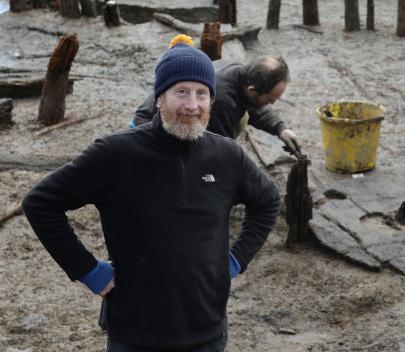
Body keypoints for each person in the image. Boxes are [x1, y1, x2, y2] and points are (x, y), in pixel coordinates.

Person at [21, 35, 281, 351]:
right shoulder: (116, 152)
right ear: (160, 97)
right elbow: (41, 203)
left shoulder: (227, 155)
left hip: (208, 331)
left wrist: (237, 259)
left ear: (211, 100)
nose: (192, 105)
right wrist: (88, 271)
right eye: (181, 92)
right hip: (135, 333)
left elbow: (268, 199)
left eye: (202, 94)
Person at [131, 56, 302, 154]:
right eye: (270, 99)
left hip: (176, 117)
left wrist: (280, 128)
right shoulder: (222, 104)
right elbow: (220, 154)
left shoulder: (239, 71)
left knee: (243, 117)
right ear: (251, 89)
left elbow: (253, 105)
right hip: (148, 131)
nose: (271, 104)